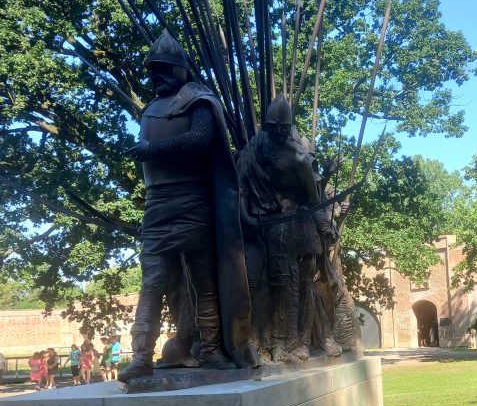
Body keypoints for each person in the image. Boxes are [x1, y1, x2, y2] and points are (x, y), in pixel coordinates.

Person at [120, 30, 252, 381]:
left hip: (194, 203)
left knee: (204, 284)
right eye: (153, 70)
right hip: (157, 205)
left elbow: (199, 139)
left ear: (181, 68)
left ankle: (211, 350)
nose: (157, 75)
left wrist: (153, 150)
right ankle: (141, 357)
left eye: (164, 68)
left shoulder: (198, 100)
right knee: (152, 283)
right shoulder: (151, 109)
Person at [237, 94, 335, 362]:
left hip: (287, 225)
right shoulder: (255, 147)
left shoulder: (299, 158)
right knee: (253, 281)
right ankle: (254, 340)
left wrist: (323, 224)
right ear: (266, 126)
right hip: (255, 223)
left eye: (284, 128)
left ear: (289, 128)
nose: (279, 133)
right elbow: (241, 182)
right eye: (274, 128)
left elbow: (314, 198)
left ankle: (283, 342)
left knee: (284, 282)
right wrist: (244, 214)